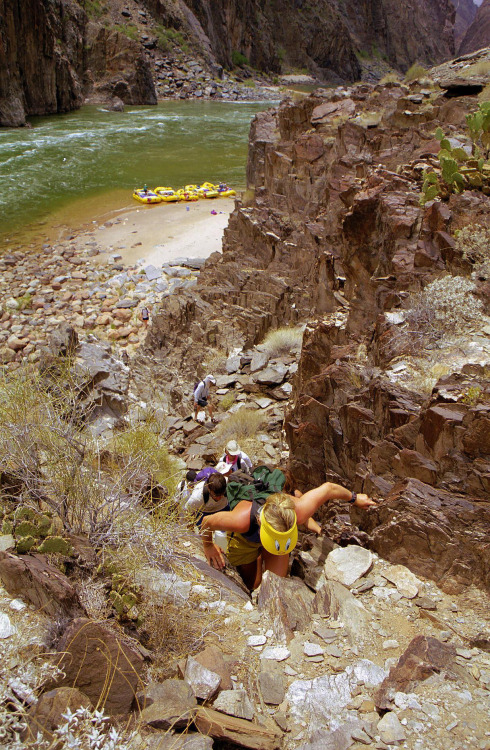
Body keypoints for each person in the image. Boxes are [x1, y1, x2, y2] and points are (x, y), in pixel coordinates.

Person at [200, 481, 377, 590]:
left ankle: (266, 557)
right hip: (247, 538)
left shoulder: (299, 511)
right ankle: (257, 560)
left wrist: (355, 498)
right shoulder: (240, 520)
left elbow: (329, 489)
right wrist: (208, 545)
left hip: (279, 543)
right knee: (251, 584)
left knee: (274, 585)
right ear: (261, 522)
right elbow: (207, 522)